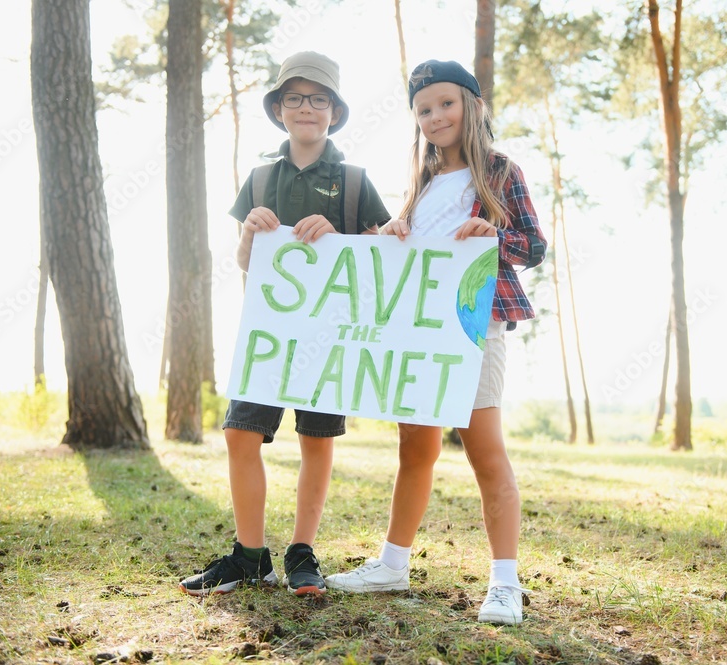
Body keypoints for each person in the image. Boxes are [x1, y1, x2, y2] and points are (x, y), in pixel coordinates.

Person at [324, 60, 546, 625]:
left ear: (472, 105)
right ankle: (392, 565)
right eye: (424, 109)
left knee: (485, 452)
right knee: (415, 450)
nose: (435, 116)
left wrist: (495, 235)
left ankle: (504, 584)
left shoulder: (499, 171)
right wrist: (395, 229)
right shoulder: (420, 181)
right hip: (418, 332)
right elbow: (412, 252)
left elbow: (533, 246)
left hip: (473, 327)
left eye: (446, 103)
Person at [179, 51, 390, 598]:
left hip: (329, 333)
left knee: (316, 439)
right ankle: (250, 556)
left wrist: (347, 236)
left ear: (334, 112)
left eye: (318, 98)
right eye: (294, 98)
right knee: (238, 432)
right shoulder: (259, 176)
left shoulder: (354, 179)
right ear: (279, 109)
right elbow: (247, 261)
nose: (306, 108)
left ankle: (302, 554)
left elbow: (386, 254)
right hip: (269, 334)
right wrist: (250, 232)